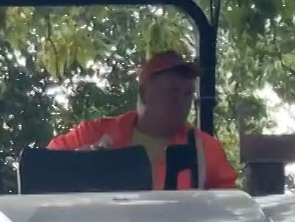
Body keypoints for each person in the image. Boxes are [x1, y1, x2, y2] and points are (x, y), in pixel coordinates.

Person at [48, 50, 240, 191]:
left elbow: (228, 208)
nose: (182, 100)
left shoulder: (204, 149)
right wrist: (77, 163)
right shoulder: (92, 135)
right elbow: (43, 169)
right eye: (172, 91)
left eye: (188, 93)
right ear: (144, 93)